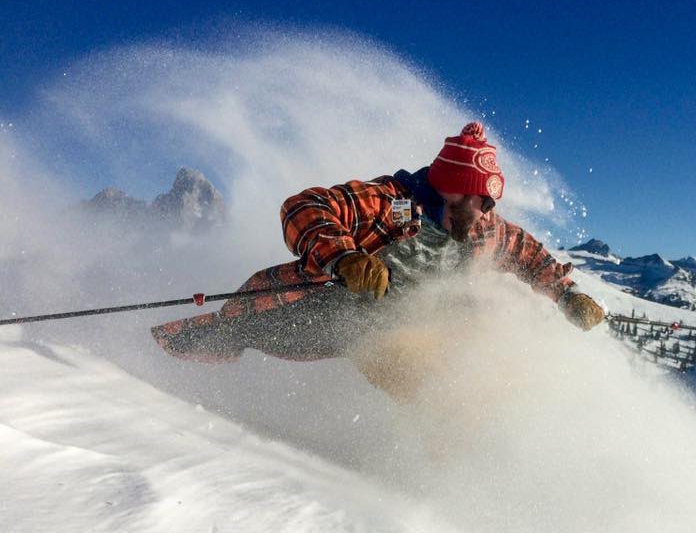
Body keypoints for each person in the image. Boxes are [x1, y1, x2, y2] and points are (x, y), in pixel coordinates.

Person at [152, 122, 605, 373]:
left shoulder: (484, 229)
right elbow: (303, 207)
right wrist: (345, 257)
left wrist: (566, 295)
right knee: (234, 332)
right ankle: (157, 369)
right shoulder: (395, 204)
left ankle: (455, 471)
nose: (489, 209)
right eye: (482, 198)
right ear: (451, 191)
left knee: (447, 366)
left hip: (399, 331)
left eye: (492, 200)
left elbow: (527, 255)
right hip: (322, 311)